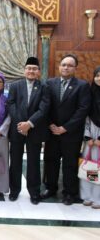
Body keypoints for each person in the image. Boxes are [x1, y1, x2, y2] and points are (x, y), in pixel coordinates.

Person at [42, 54, 91, 205]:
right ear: (59, 66)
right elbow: (45, 107)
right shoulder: (50, 83)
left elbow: (82, 110)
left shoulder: (82, 86)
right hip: (52, 132)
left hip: (71, 134)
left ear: (75, 68)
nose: (66, 67)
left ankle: (70, 193)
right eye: (63, 64)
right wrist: (50, 124)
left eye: (70, 65)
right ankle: (50, 188)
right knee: (51, 162)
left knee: (70, 164)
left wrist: (65, 128)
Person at [7, 57, 50, 204]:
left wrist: (30, 123)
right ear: (24, 70)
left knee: (33, 163)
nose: (31, 71)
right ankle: (14, 190)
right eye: (28, 68)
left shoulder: (44, 86)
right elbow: (11, 104)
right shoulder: (15, 86)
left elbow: (44, 108)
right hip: (17, 130)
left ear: (38, 71)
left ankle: (34, 192)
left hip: (35, 130)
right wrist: (22, 124)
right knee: (15, 162)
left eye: (34, 69)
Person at [80, 66, 100, 209]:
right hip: (90, 136)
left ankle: (97, 198)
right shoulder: (89, 93)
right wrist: (88, 137)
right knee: (89, 166)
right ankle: (87, 196)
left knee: (98, 167)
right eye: (97, 75)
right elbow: (85, 115)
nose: (99, 78)